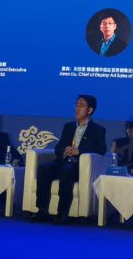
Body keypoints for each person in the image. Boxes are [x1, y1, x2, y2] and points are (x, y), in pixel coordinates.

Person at [30, 94, 107, 223]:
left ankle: (62, 213)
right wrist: (64, 151)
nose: (77, 108)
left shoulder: (98, 130)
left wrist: (79, 151)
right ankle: (42, 210)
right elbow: (58, 147)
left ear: (90, 110)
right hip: (62, 162)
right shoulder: (68, 126)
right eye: (76, 105)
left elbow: (101, 149)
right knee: (44, 168)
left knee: (67, 170)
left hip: (77, 166)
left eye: (81, 105)